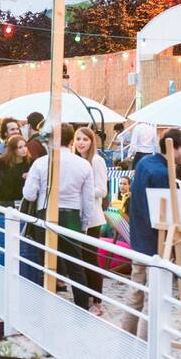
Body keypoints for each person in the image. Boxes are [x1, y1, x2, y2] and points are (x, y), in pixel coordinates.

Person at [121, 129, 181, 339]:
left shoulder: (144, 163)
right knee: (153, 298)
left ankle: (126, 338)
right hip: (155, 242)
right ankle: (144, 345)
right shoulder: (164, 173)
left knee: (135, 292)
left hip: (139, 237)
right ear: (172, 148)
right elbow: (166, 215)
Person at [23, 123, 95, 310]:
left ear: (51, 140)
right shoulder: (84, 165)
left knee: (45, 262)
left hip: (45, 213)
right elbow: (88, 200)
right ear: (71, 141)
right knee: (75, 266)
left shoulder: (40, 163)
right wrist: (84, 223)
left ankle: (45, 307)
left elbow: (29, 194)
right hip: (72, 216)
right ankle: (82, 310)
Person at [74, 126, 108, 316]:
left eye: (85, 139)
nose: (81, 143)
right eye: (78, 139)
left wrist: (81, 190)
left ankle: (97, 301)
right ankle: (84, 296)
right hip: (76, 215)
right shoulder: (76, 160)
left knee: (90, 258)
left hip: (93, 217)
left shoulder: (97, 160)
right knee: (79, 258)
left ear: (91, 141)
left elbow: (102, 190)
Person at [0, 135, 31, 207]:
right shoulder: (3, 162)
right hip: (4, 201)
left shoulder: (29, 162)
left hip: (21, 201)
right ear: (13, 149)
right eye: (20, 147)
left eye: (25, 146)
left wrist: (30, 176)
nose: (24, 149)